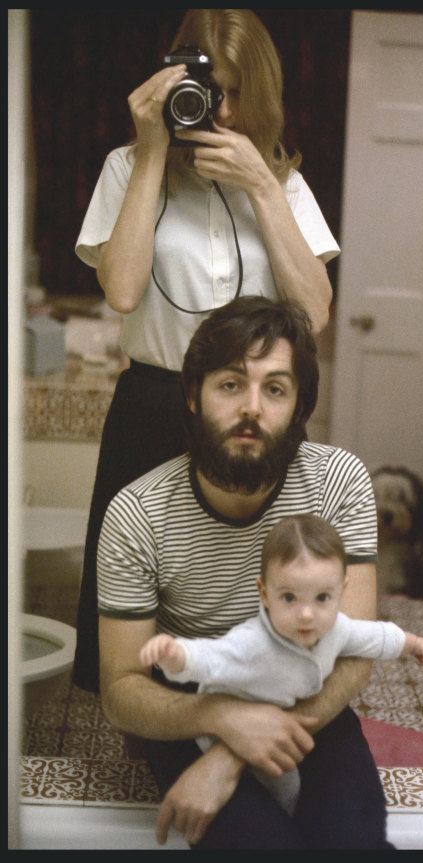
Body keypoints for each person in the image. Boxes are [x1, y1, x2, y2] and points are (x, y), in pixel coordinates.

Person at [72, 9, 339, 693]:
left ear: (264, 94)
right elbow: (124, 291)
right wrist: (153, 148)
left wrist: (260, 184)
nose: (220, 109)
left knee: (256, 578)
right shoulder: (127, 168)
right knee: (142, 593)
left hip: (257, 408)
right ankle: (150, 726)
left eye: (236, 90)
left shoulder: (284, 184)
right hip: (154, 403)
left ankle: (248, 704)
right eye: (206, 87)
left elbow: (314, 312)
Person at [97, 295, 392, 850]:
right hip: (192, 708)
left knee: (354, 845)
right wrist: (221, 721)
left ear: (299, 406)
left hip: (311, 696)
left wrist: (233, 755)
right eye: (231, 384)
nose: (251, 408)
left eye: (275, 389)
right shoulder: (137, 514)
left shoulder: (340, 485)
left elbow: (353, 655)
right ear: (193, 395)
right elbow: (119, 689)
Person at [139, 514, 423, 817]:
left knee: (290, 787)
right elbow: (209, 657)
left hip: (279, 720)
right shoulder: (253, 643)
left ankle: (289, 817)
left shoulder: (337, 628)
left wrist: (412, 644)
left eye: (322, 597)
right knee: (257, 796)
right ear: (265, 593)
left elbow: (374, 636)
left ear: (341, 591)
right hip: (229, 730)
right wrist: (175, 655)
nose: (306, 614)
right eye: (290, 598)